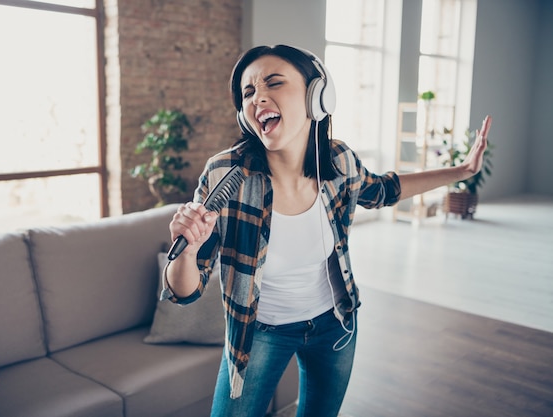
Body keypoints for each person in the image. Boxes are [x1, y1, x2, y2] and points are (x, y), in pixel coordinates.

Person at [162, 44, 492, 417]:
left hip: (335, 324)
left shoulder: (338, 162)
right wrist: (188, 251)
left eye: (274, 83)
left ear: (316, 95)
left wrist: (462, 171)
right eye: (249, 92)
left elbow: (385, 189)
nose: (259, 98)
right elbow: (183, 293)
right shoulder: (226, 174)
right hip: (259, 335)